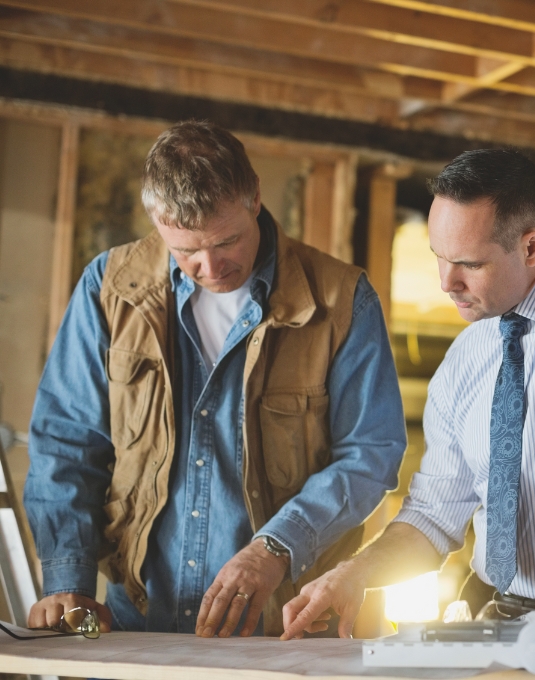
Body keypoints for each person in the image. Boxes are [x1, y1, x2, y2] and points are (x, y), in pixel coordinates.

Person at [281, 148, 535, 640]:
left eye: (468, 264)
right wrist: (355, 574)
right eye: (439, 258)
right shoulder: (466, 357)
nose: (445, 283)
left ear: (532, 247)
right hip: (497, 617)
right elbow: (434, 513)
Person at [23, 121, 406, 638]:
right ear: (157, 220)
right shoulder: (110, 288)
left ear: (255, 200)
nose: (210, 265)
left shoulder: (343, 300)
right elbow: (68, 440)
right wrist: (66, 578)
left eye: (227, 241)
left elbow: (371, 453)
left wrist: (277, 546)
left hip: (284, 629)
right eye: (186, 251)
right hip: (137, 621)